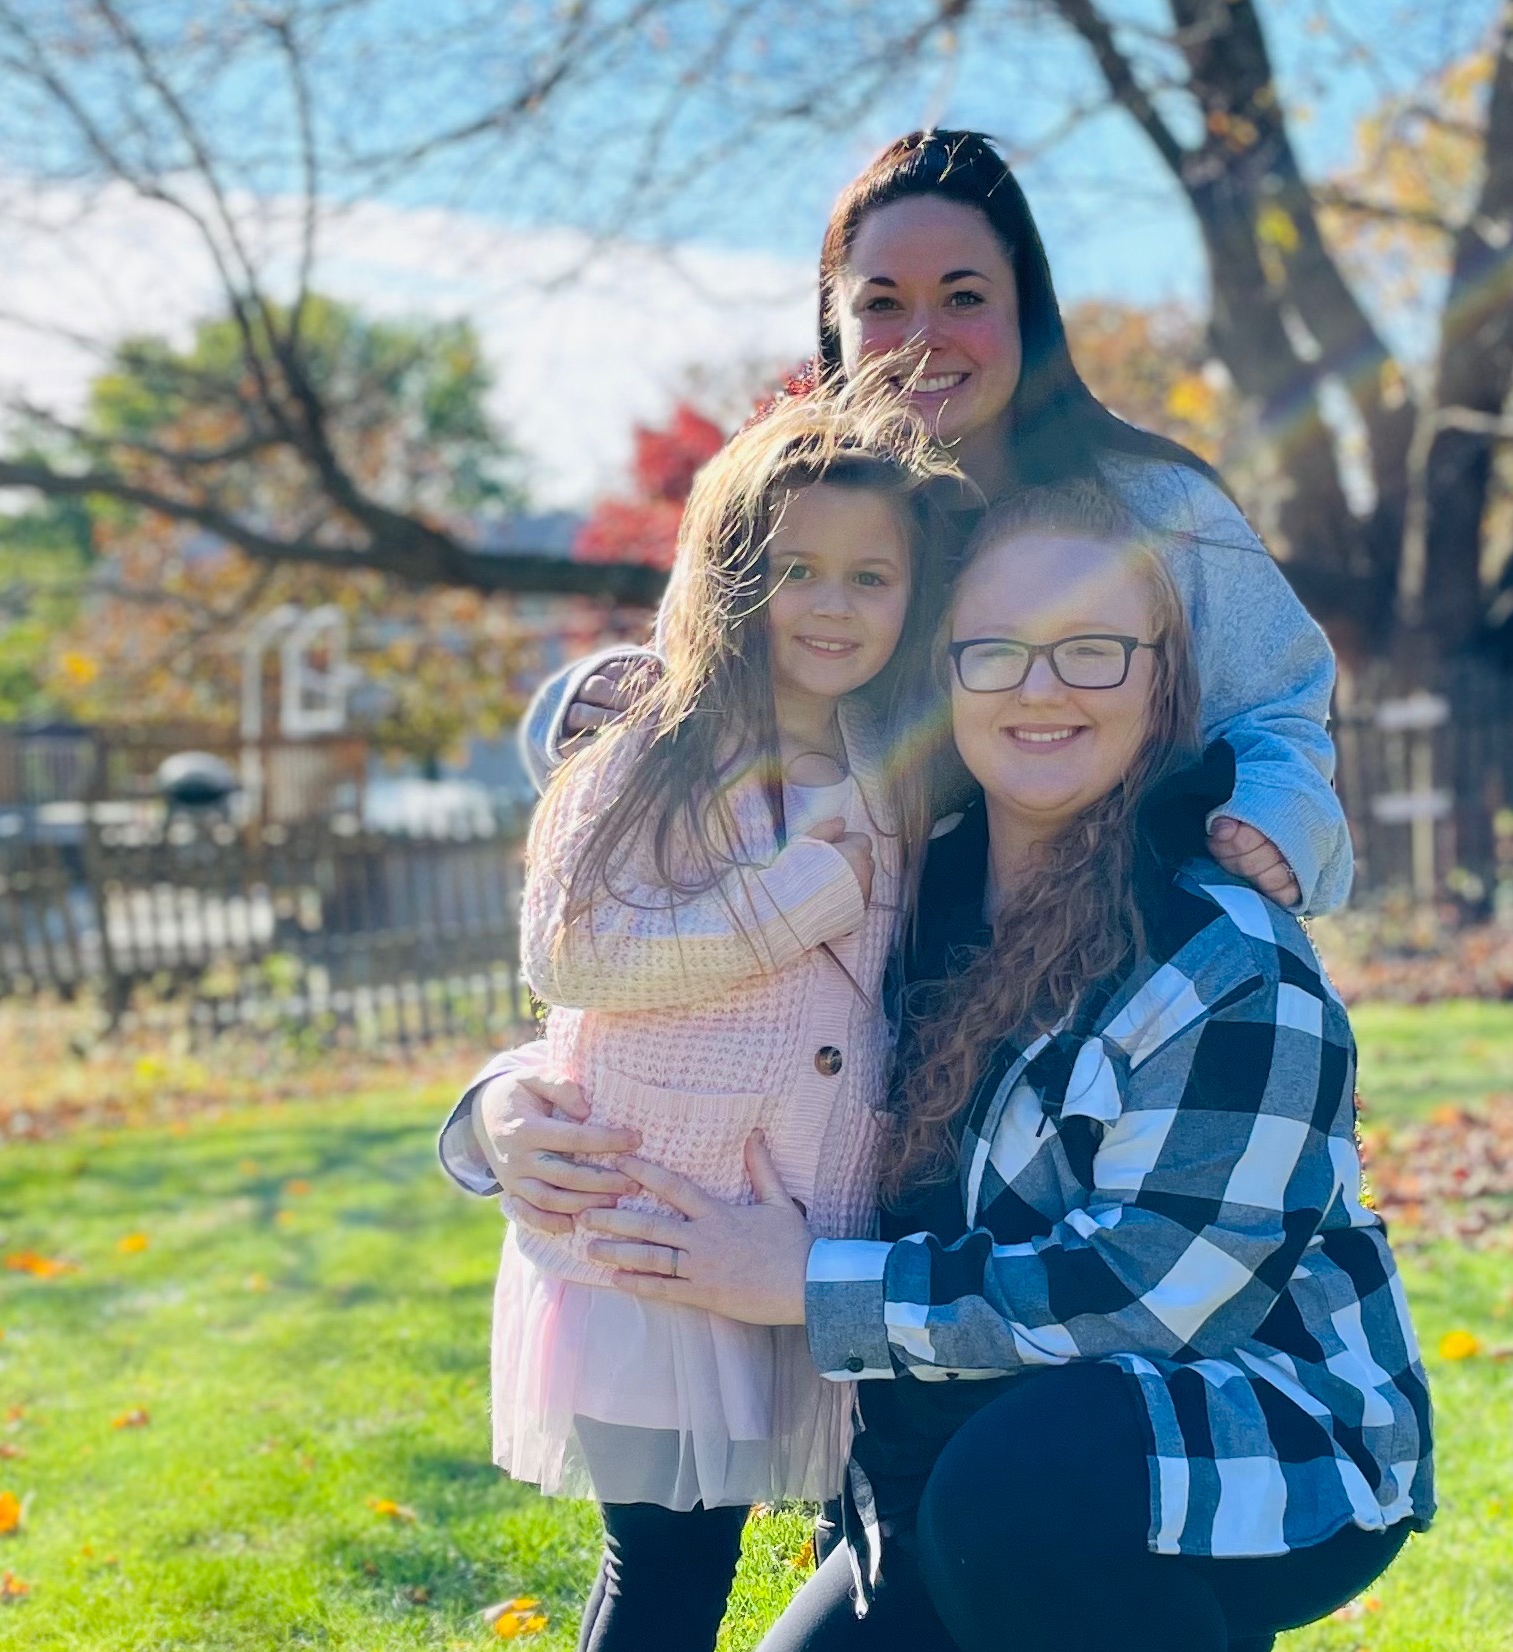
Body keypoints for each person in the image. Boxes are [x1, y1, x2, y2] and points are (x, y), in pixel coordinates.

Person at [578, 482, 1434, 1652]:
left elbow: (1148, 1294)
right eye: (997, 650)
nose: (1042, 688)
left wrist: (807, 1283)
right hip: (958, 1466)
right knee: (974, 1518)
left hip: (1260, 1430)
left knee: (1025, 1492)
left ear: (1163, 681)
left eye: (1092, 648)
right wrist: (504, 1117)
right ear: (944, 677)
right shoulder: (894, 890)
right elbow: (695, 1008)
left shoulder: (1227, 957)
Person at [452, 124, 1354, 1281]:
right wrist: (504, 1102)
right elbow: (657, 864)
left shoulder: (1155, 507)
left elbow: (1282, 702)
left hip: (1109, 986)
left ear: (1028, 311)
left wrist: (1278, 816)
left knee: (1036, 1322)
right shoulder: (800, 515)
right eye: (882, 303)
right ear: (833, 324)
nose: (923, 338)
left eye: (964, 296)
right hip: (881, 1020)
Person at [494, 385, 964, 1652]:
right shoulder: (653, 753)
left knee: (796, 1543)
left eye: (869, 576)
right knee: (666, 1563)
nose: (830, 605)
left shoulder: (893, 760)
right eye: (794, 570)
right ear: (730, 575)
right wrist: (791, 899)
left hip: (798, 1228)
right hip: (648, 1225)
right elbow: (569, 952)